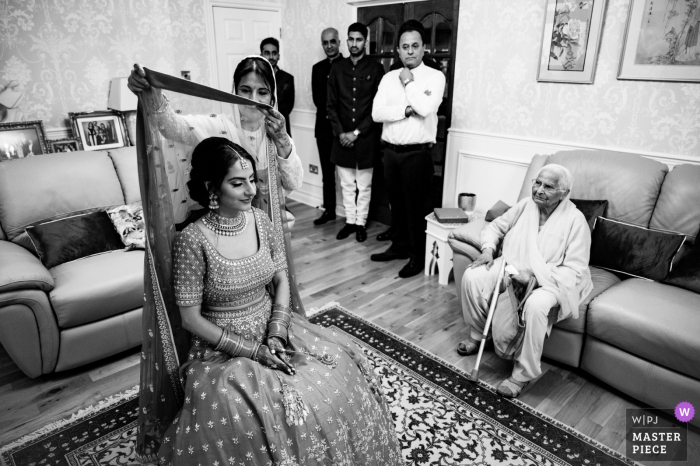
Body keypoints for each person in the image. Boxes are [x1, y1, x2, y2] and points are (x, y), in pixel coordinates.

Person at [458, 165, 593, 398]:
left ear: (564, 192)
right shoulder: (524, 206)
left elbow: (575, 270)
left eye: (548, 186)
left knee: (536, 305)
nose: (539, 190)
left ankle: (522, 374)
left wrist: (533, 278)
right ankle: (478, 334)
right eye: (537, 182)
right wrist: (489, 249)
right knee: (473, 275)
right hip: (511, 264)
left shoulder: (575, 220)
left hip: (550, 279)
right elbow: (495, 227)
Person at [371, 20, 446, 278]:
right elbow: (377, 113)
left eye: (415, 45)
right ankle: (399, 247)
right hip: (390, 152)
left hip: (417, 154)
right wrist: (404, 110)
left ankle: (417, 257)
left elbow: (425, 109)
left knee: (416, 209)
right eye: (405, 46)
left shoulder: (435, 77)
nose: (410, 51)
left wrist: (409, 83)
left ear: (424, 47)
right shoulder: (387, 77)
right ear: (398, 51)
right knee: (398, 206)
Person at [327, 22, 384, 243]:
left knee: (364, 185)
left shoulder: (376, 69)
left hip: (366, 138)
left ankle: (361, 223)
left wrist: (357, 133)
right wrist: (341, 133)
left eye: (358, 39)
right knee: (346, 185)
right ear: (347, 40)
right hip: (341, 138)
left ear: (365, 41)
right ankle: (350, 221)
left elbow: (377, 108)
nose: (354, 44)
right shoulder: (337, 68)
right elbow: (330, 105)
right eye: (350, 39)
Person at [311, 27, 343, 226]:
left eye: (332, 41)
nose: (329, 46)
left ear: (339, 42)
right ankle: (329, 210)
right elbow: (318, 100)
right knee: (327, 174)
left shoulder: (347, 66)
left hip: (343, 129)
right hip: (323, 128)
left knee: (349, 174)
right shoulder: (317, 68)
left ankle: (355, 215)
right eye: (325, 42)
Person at [261, 37, 294, 136]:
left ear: (278, 56)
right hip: (261, 126)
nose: (271, 57)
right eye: (267, 53)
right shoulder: (256, 78)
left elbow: (289, 105)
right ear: (261, 55)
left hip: (282, 127)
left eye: (274, 53)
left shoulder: (287, 78)